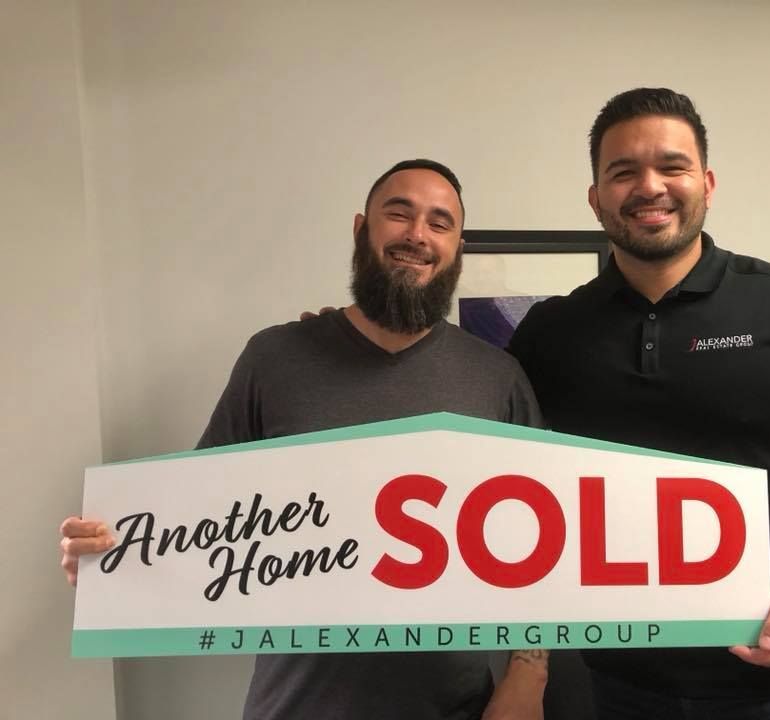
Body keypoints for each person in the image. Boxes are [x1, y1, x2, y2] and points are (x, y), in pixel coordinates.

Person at [60, 159, 549, 720]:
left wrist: (528, 674)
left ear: (457, 248)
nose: (418, 234)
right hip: (294, 705)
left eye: (440, 223)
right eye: (399, 213)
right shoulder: (274, 359)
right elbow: (194, 527)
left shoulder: (496, 378)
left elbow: (540, 547)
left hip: (455, 705)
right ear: (361, 228)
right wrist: (113, 558)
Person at [506, 88, 770, 719]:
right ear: (596, 198)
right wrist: (347, 334)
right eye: (623, 172)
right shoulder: (551, 331)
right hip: (616, 687)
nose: (650, 187)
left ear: (706, 181)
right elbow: (498, 461)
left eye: (671, 166)